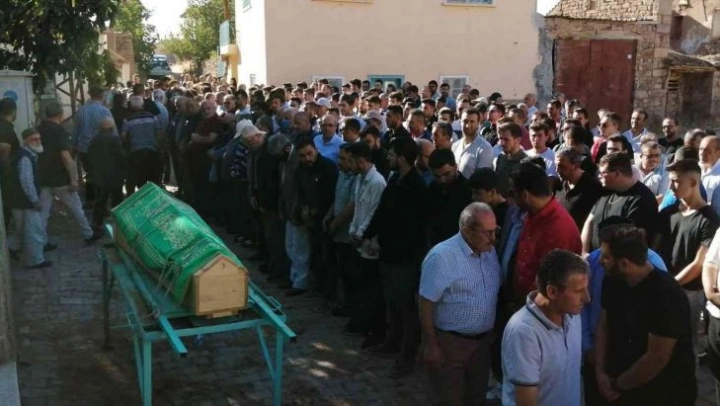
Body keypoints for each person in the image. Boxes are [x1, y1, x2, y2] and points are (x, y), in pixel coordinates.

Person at [595, 224, 696, 405]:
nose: (599, 261)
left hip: (663, 394)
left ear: (625, 263)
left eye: (605, 257)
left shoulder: (666, 295)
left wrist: (617, 385)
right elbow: (603, 325)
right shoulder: (612, 281)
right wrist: (600, 372)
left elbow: (656, 358)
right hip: (622, 386)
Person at [419, 202, 501, 406]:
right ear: (467, 230)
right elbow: (425, 302)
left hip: (482, 345)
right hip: (451, 344)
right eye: (487, 232)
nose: (493, 238)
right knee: (448, 398)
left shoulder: (490, 252)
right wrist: (431, 345)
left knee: (476, 398)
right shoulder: (442, 257)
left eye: (495, 231)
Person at [361, 136, 427, 377]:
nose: (387, 157)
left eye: (391, 154)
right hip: (388, 253)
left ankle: (407, 355)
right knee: (392, 302)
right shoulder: (395, 179)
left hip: (405, 258)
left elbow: (413, 226)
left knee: (406, 308)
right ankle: (392, 340)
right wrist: (368, 234)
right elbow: (382, 212)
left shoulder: (416, 187)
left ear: (401, 158)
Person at [502, 250, 589, 406]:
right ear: (552, 291)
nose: (587, 298)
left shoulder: (573, 315)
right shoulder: (524, 332)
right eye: (578, 291)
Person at [660, 159, 719, 356]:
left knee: (687, 346)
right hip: (663, 285)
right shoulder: (667, 213)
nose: (671, 187)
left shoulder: (709, 218)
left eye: (676, 181)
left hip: (690, 293)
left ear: (693, 182)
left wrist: (670, 284)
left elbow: (699, 263)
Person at [510, 162, 582, 303]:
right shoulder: (531, 214)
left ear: (524, 195)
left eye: (512, 193)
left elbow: (554, 282)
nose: (510, 199)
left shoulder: (559, 229)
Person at [37, 101, 99, 245]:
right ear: (60, 115)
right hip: (60, 178)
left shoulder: (37, 130)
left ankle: (41, 242)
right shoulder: (59, 131)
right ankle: (88, 234)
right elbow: (66, 157)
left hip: (42, 178)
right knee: (76, 208)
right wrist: (73, 179)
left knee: (43, 213)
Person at [345, 142, 387, 339]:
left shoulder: (377, 182)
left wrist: (362, 234)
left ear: (361, 161)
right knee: (359, 282)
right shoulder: (359, 179)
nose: (349, 165)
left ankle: (371, 325)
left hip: (370, 242)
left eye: (351, 161)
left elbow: (374, 213)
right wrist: (353, 230)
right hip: (359, 238)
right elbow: (358, 208)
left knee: (371, 287)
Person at [287, 136, 338, 296]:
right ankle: (318, 284)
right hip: (309, 218)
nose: (307, 159)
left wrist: (318, 210)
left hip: (326, 217)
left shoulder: (327, 167)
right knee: (314, 252)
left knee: (327, 255)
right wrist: (304, 209)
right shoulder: (300, 169)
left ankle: (329, 289)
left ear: (316, 150)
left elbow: (330, 194)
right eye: (302, 156)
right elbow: (300, 191)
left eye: (309, 154)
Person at [582, 152, 660, 254]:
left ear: (617, 173)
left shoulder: (642, 199)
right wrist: (584, 252)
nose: (599, 176)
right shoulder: (606, 191)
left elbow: (629, 241)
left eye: (603, 173)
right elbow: (589, 221)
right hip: (594, 258)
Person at [6, 128, 52, 268]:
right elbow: (26, 181)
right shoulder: (25, 157)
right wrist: (34, 200)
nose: (38, 141)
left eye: (39, 139)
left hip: (18, 200)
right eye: (34, 139)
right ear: (26, 141)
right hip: (25, 202)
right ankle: (36, 260)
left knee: (20, 229)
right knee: (34, 230)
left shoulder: (25, 155)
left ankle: (11, 248)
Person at [73, 86, 114, 204]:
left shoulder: (81, 110)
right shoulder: (105, 111)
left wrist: (74, 148)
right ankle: (101, 201)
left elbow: (76, 131)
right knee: (102, 174)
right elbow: (112, 132)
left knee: (90, 174)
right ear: (102, 96)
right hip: (101, 148)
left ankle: (90, 199)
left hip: (84, 148)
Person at [426, 148, 472, 246]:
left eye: (447, 174)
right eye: (437, 176)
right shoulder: (432, 188)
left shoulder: (468, 191)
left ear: (455, 167)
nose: (442, 180)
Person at [88, 118, 126, 234]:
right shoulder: (115, 139)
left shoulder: (94, 140)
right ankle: (119, 224)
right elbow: (121, 156)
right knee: (117, 201)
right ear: (111, 127)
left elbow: (90, 157)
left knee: (100, 201)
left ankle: (97, 224)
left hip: (100, 175)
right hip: (115, 175)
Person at [121, 96, 164, 195]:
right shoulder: (152, 117)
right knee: (154, 178)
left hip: (136, 152)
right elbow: (159, 133)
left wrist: (129, 144)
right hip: (152, 151)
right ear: (143, 105)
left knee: (140, 179)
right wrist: (159, 146)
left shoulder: (128, 120)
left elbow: (123, 135)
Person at [555, 148, 604, 230]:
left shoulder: (593, 188)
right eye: (556, 166)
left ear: (576, 166)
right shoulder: (558, 185)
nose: (557, 170)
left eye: (561, 166)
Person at [452, 108, 493, 179]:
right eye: (465, 121)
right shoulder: (455, 145)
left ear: (478, 123)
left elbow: (482, 179)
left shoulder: (485, 148)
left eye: (472, 122)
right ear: (460, 122)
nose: (468, 125)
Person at [494, 122, 527, 196]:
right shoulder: (501, 159)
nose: (502, 143)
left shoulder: (525, 163)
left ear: (518, 140)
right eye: (500, 139)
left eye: (506, 139)